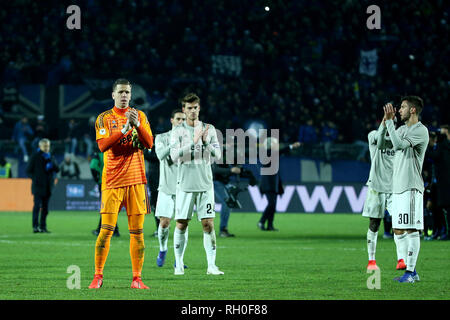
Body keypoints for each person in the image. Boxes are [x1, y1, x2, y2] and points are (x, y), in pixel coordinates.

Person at [88, 78, 154, 290]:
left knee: (138, 233)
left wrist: (136, 126)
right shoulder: (104, 118)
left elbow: (149, 143)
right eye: (121, 92)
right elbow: (103, 146)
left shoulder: (140, 116)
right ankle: (98, 275)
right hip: (113, 182)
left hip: (136, 181)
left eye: (127, 92)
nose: (125, 96)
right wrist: (125, 129)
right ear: (113, 95)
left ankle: (137, 279)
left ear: (131, 94)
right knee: (106, 231)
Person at [169, 92, 223, 275]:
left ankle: (212, 266)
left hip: (205, 184)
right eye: (189, 108)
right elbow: (174, 156)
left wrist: (206, 142)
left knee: (208, 224)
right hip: (185, 185)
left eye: (195, 107)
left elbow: (219, 155)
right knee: (182, 224)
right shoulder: (177, 131)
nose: (192, 111)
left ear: (199, 108)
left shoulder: (210, 128)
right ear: (183, 110)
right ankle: (178, 263)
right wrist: (193, 142)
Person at [381, 96, 429, 283]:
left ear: (413, 110)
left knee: (411, 229)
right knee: (398, 229)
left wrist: (391, 125)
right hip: (397, 186)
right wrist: (387, 123)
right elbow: (388, 143)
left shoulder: (420, 130)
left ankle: (410, 273)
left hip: (411, 186)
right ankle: (410, 268)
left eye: (402, 107)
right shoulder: (401, 129)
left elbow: (399, 145)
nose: (399, 110)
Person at [362, 120, 396, 271]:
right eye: (387, 122)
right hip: (376, 186)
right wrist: (385, 121)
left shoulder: (397, 140)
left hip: (395, 187)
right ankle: (371, 260)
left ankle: (403, 260)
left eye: (392, 123)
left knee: (401, 224)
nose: (390, 125)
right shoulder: (373, 135)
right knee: (375, 222)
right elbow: (379, 138)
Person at [154, 109, 187, 267]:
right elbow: (160, 155)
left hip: (185, 189)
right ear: (172, 120)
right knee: (165, 223)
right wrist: (175, 143)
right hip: (166, 187)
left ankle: (178, 260)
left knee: (182, 225)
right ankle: (162, 249)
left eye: (184, 119)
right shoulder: (161, 137)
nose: (181, 121)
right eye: (178, 119)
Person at [257, 138, 301, 231]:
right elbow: (279, 152)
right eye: (275, 143)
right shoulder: (267, 153)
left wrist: (279, 184)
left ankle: (270, 225)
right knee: (271, 204)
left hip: (273, 183)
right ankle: (261, 221)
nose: (277, 145)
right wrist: (291, 146)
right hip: (268, 183)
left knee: (273, 205)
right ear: (270, 145)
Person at [26, 139, 59, 233]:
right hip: (38, 187)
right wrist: (35, 179)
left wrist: (52, 162)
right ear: (40, 147)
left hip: (48, 186)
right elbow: (28, 171)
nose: (46, 148)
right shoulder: (35, 156)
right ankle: (35, 227)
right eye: (44, 146)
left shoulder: (50, 157)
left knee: (45, 208)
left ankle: (43, 227)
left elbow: (57, 169)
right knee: (37, 206)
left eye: (47, 146)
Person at [427, 124, 450, 240]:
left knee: (445, 208)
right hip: (437, 183)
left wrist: (424, 149)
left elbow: (434, 157)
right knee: (437, 208)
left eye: (442, 132)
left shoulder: (443, 147)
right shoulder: (441, 146)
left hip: (444, 183)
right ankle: (440, 230)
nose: (439, 134)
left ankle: (445, 231)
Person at [212, 147, 242, 237]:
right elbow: (214, 169)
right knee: (227, 202)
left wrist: (238, 165)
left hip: (224, 182)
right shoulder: (216, 153)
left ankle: (223, 229)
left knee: (230, 202)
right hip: (215, 181)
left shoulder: (231, 153)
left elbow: (238, 165)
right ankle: (223, 230)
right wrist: (230, 170)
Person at [90, 148, 120, 237]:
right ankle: (103, 229)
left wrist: (97, 178)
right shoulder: (116, 152)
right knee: (110, 207)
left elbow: (93, 166)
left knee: (106, 207)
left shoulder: (98, 155)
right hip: (115, 182)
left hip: (104, 183)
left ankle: (113, 230)